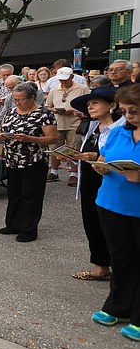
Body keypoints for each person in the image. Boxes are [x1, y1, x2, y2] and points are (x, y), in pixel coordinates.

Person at [88, 84, 140, 341]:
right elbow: (104, 157)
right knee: (120, 257)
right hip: (111, 203)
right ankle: (118, 306)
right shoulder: (120, 131)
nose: (128, 116)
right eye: (124, 111)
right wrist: (100, 166)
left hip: (137, 207)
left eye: (134, 111)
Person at [62, 88, 124, 281]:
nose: (90, 107)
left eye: (95, 103)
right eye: (88, 104)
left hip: (113, 184)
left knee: (115, 229)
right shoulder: (92, 126)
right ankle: (100, 266)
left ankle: (123, 272)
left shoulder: (122, 128)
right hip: (90, 182)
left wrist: (95, 156)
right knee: (92, 223)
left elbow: (123, 156)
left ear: (112, 105)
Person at [0, 82, 58, 242]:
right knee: (14, 193)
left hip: (34, 159)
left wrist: (30, 138)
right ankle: (13, 224)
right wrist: (1, 137)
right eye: (15, 99)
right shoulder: (11, 112)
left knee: (30, 195)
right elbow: (3, 129)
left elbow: (52, 138)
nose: (17, 102)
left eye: (20, 99)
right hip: (13, 159)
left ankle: (29, 229)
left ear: (31, 97)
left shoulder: (44, 114)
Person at [45, 67, 89, 185]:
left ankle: (74, 174)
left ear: (72, 77)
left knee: (74, 148)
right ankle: (53, 171)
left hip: (75, 123)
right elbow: (47, 105)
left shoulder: (82, 89)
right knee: (54, 149)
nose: (63, 82)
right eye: (60, 80)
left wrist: (73, 110)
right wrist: (54, 109)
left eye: (65, 79)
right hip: (57, 123)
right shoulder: (54, 90)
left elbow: (88, 106)